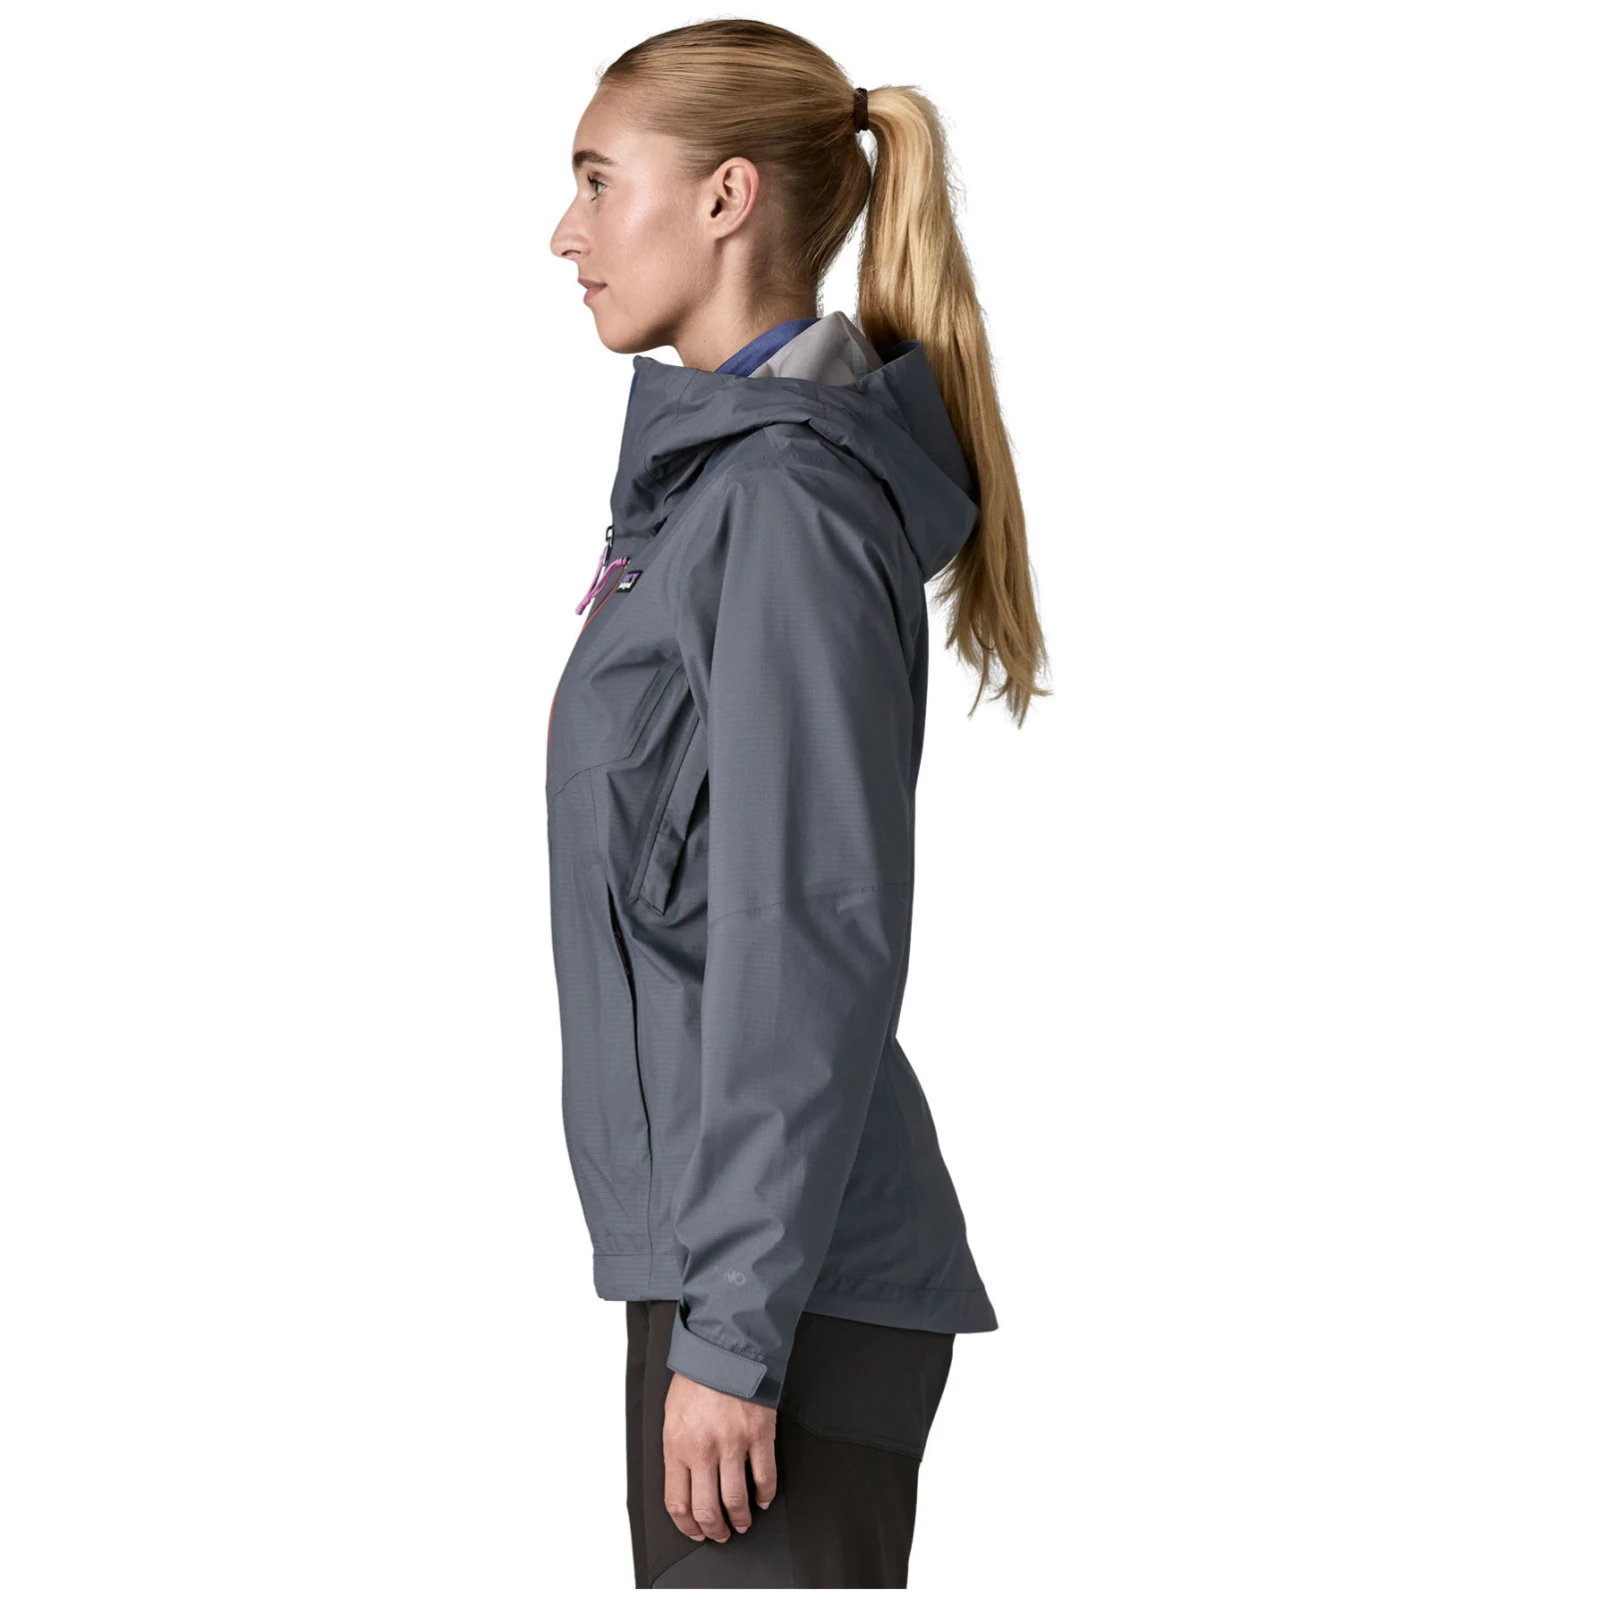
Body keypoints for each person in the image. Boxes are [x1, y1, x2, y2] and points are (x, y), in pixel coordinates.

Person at [546, 18, 1048, 1588]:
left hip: (779, 1291)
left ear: (726, 197)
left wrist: (735, 1332)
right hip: (741, 1266)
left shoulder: (778, 504)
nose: (564, 231)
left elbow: (808, 927)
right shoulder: (716, 497)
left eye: (597, 180)